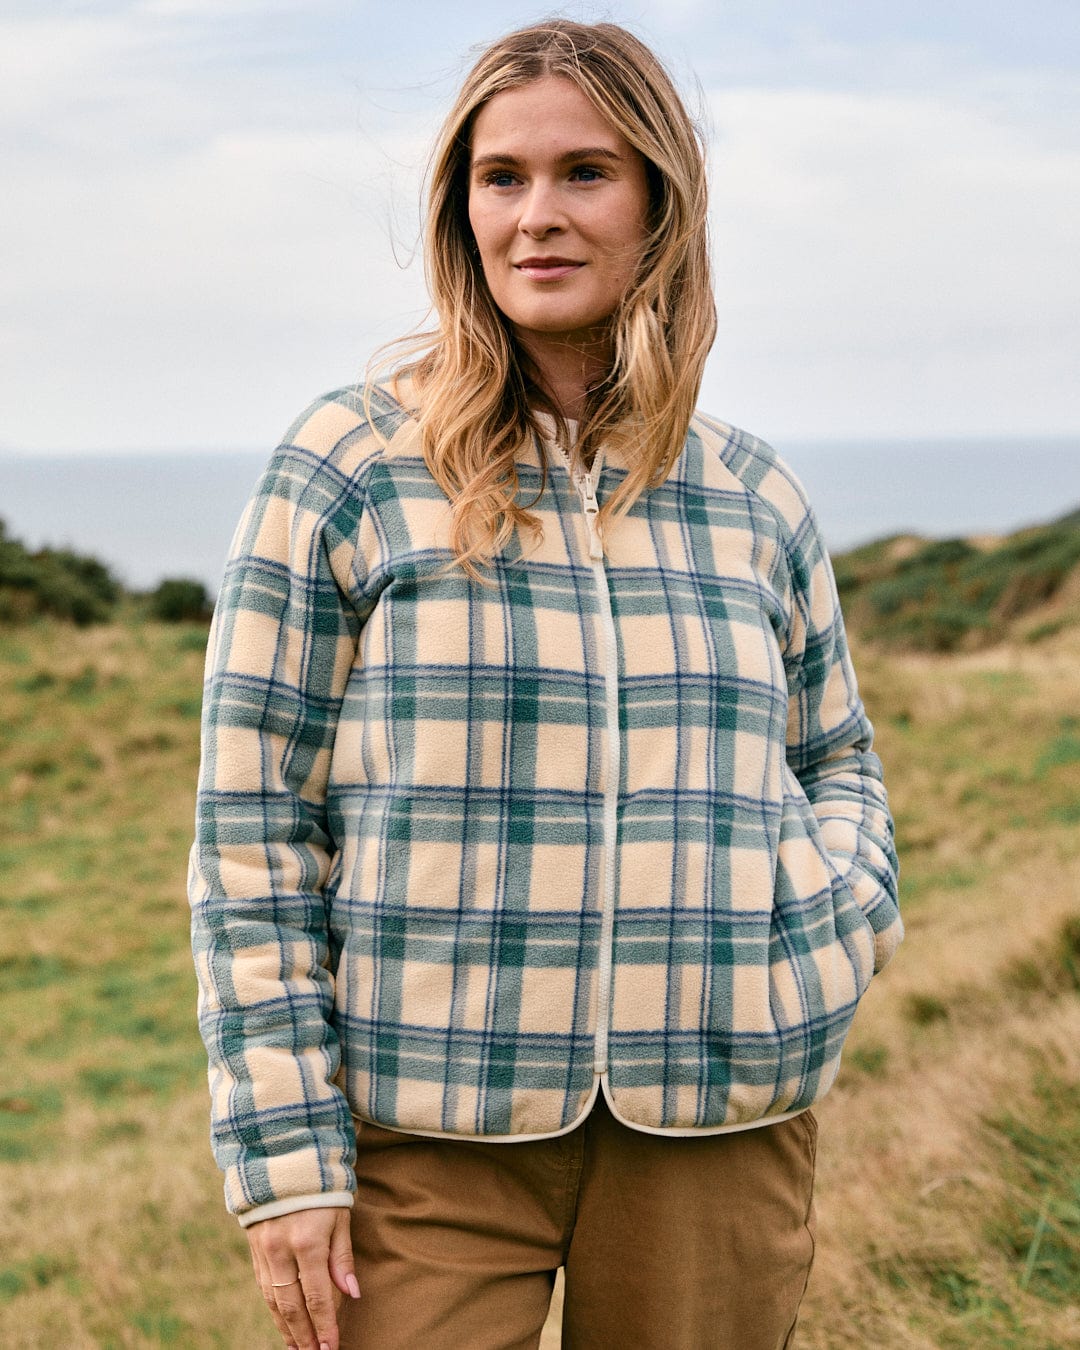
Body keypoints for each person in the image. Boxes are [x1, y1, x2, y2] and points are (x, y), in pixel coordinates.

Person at [189, 19, 902, 1350]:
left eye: (586, 171)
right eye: (500, 177)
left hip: (717, 1127)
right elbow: (251, 828)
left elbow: (837, 755)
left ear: (658, 201)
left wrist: (831, 924)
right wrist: (287, 1157)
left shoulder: (751, 494)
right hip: (431, 1143)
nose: (538, 216)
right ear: (461, 210)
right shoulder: (348, 465)